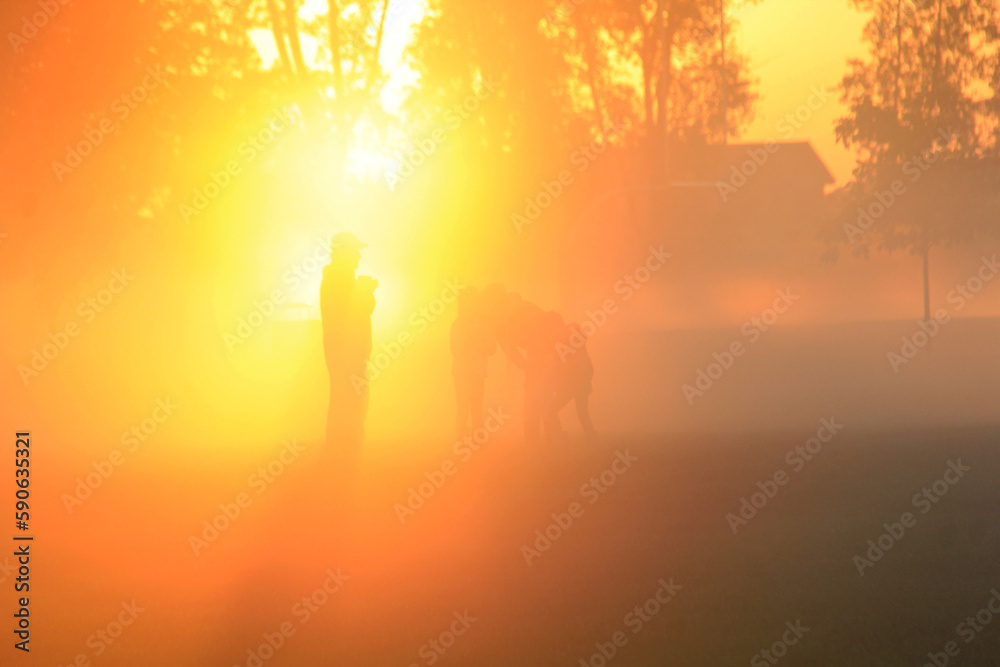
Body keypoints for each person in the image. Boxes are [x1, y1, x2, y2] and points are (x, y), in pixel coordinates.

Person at [320, 232, 377, 454]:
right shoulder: (340, 278)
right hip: (348, 351)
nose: (358, 257)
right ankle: (346, 448)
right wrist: (366, 291)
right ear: (345, 252)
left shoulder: (336, 277)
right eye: (355, 252)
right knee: (352, 401)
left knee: (343, 399)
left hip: (342, 350)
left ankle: (341, 448)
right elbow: (359, 309)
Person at [450, 287, 496, 435]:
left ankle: (473, 439)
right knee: (464, 408)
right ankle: (463, 439)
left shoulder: (482, 323)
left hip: (474, 371)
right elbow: (454, 348)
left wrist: (483, 339)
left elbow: (491, 349)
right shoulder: (459, 324)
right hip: (464, 371)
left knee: (475, 408)